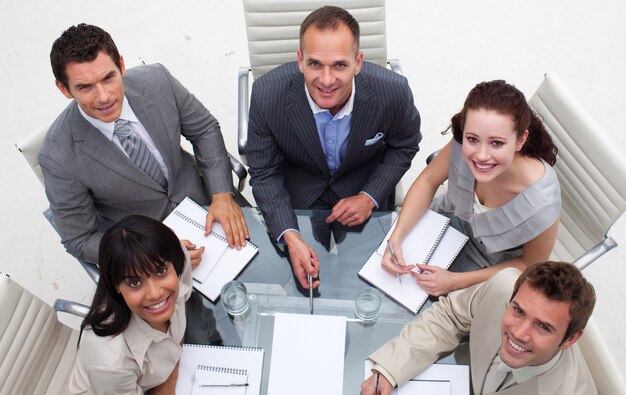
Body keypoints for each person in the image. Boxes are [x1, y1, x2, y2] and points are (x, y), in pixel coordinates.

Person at [40, 24, 249, 266]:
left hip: (209, 202)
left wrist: (221, 194)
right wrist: (148, 254)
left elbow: (204, 130)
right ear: (64, 88)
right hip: (151, 253)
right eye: (85, 87)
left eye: (109, 78)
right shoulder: (57, 156)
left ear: (121, 64)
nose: (104, 96)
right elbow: (79, 239)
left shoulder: (158, 81)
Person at [247, 6, 421, 289]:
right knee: (302, 286)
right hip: (297, 195)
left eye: (340, 65)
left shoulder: (393, 92)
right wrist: (290, 235)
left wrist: (369, 197)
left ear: (358, 62)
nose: (326, 81)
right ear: (300, 60)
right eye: (315, 64)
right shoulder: (267, 95)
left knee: (365, 284)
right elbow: (264, 172)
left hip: (362, 188)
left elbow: (405, 144)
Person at [61, 215, 278, 395]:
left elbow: (179, 315)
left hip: (152, 386)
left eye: (161, 271)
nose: (155, 293)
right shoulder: (109, 361)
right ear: (115, 286)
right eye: (134, 282)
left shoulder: (179, 262)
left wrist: (172, 373)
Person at [383, 80, 560, 296]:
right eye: (472, 139)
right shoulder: (461, 143)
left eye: (496, 143)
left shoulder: (543, 203)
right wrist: (396, 238)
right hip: (441, 226)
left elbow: (529, 266)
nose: (481, 155)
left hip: (487, 270)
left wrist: (454, 281)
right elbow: (428, 180)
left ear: (521, 140)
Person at [361, 261, 605, 395]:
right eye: (518, 310)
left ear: (570, 339)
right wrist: (390, 370)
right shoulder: (504, 284)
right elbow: (449, 315)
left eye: (543, 326)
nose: (519, 333)